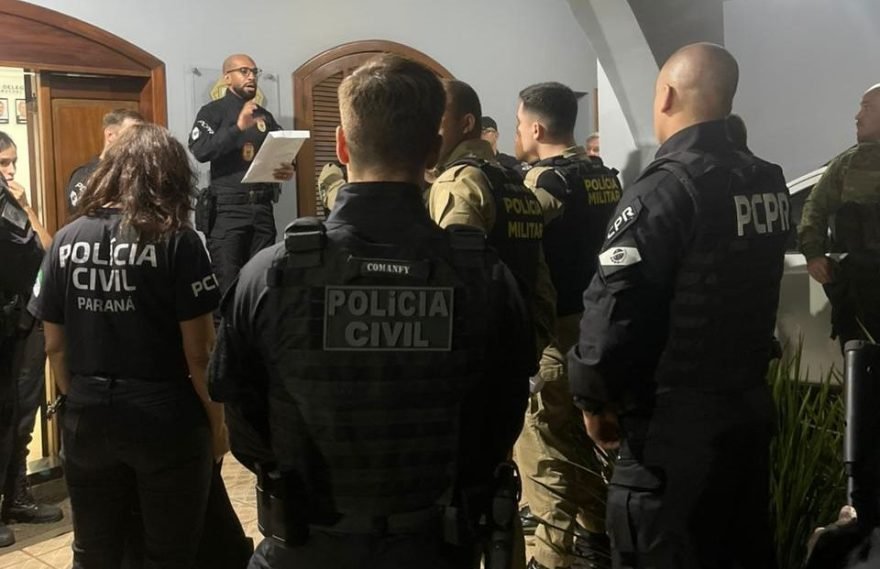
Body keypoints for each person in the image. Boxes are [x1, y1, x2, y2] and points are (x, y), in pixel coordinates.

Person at [210, 54, 535, 569]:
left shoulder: (268, 276)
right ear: (433, 150)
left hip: (307, 546)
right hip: (436, 546)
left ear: (342, 146)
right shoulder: (486, 278)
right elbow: (503, 414)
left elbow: (244, 424)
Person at [569, 43, 789, 569]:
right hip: (744, 415)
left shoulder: (668, 186)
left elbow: (616, 309)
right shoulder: (766, 179)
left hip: (672, 435)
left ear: (666, 95)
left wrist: (593, 400)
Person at [28, 123, 228, 568]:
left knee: (93, 550)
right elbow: (200, 351)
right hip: (163, 413)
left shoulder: (66, 239)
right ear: (169, 175)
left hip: (87, 411)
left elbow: (54, 345)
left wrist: (79, 398)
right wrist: (217, 424)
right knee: (170, 551)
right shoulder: (178, 240)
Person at [513, 82, 621, 569]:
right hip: (597, 329)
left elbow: (516, 236)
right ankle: (596, 535)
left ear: (536, 128)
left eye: (519, 124)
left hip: (554, 337)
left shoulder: (546, 183)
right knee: (582, 441)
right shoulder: (603, 175)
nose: (517, 133)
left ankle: (550, 556)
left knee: (545, 452)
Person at [429, 79, 556, 361]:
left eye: (436, 120)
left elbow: (454, 290)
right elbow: (542, 286)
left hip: (479, 361)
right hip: (518, 349)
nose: (427, 131)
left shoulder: (458, 183)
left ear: (466, 123)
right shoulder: (511, 180)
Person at [188, 53, 294, 294]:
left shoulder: (264, 116)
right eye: (244, 71)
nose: (251, 77)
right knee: (229, 286)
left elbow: (281, 150)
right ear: (227, 78)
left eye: (254, 72)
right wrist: (237, 128)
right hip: (228, 211)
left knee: (263, 284)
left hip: (262, 209)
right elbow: (201, 150)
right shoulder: (212, 112)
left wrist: (287, 167)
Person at [0, 132, 60, 536]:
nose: (10, 171)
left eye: (13, 162)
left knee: (24, 410)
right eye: (3, 163)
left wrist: (27, 207)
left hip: (26, 316)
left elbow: (49, 251)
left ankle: (17, 495)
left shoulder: (15, 206)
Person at [798, 84, 880, 347]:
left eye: (867, 108)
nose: (857, 116)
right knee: (862, 359)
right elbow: (815, 207)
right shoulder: (847, 164)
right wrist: (814, 253)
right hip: (861, 288)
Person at [65, 109, 143, 213]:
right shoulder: (84, 176)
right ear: (110, 135)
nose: (138, 141)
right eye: (131, 135)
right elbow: (81, 216)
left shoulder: (138, 175)